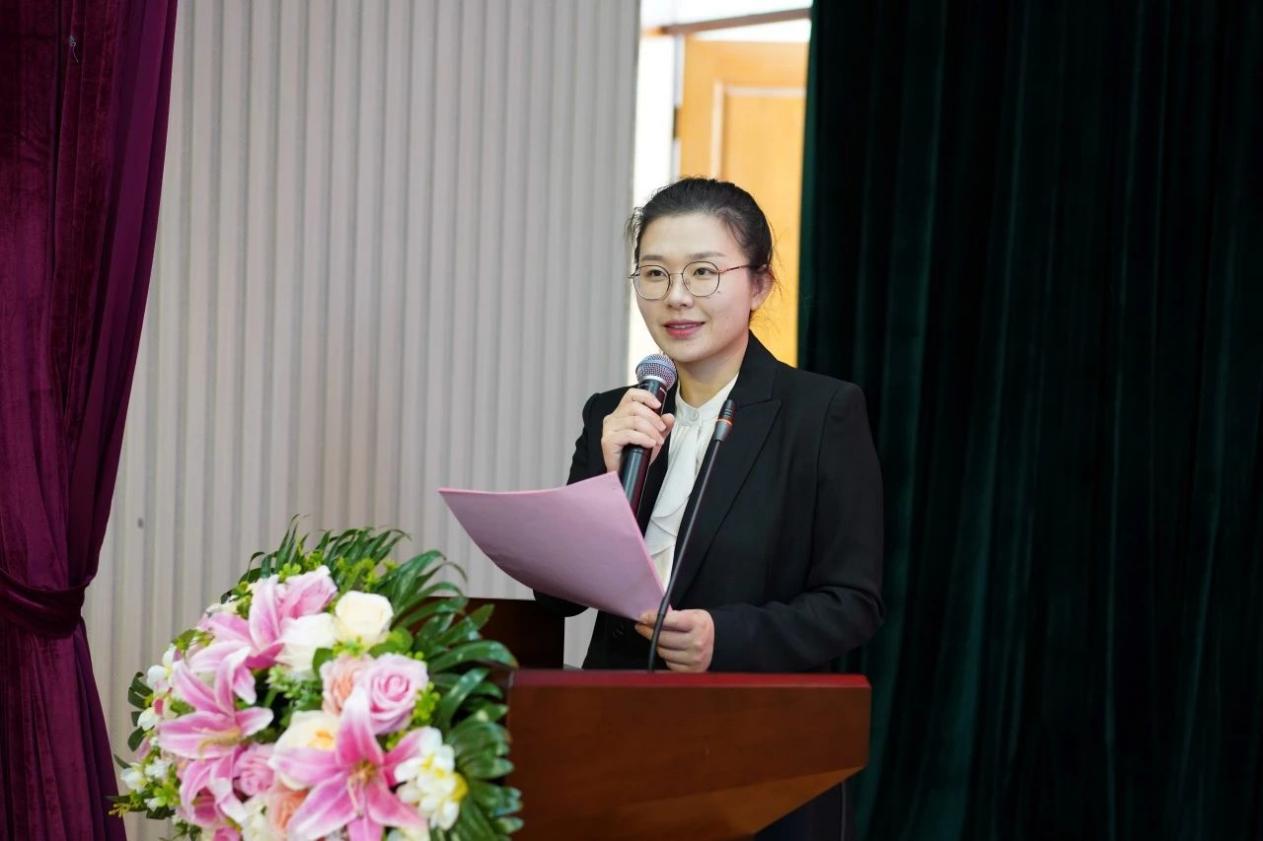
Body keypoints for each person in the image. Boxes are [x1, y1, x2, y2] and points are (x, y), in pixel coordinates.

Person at [535, 177, 883, 838]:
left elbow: (852, 602)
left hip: (752, 758)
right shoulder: (614, 413)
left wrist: (725, 636)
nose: (676, 296)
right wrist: (603, 476)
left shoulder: (821, 414)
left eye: (702, 271)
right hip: (611, 747)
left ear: (758, 285)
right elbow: (558, 599)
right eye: (654, 273)